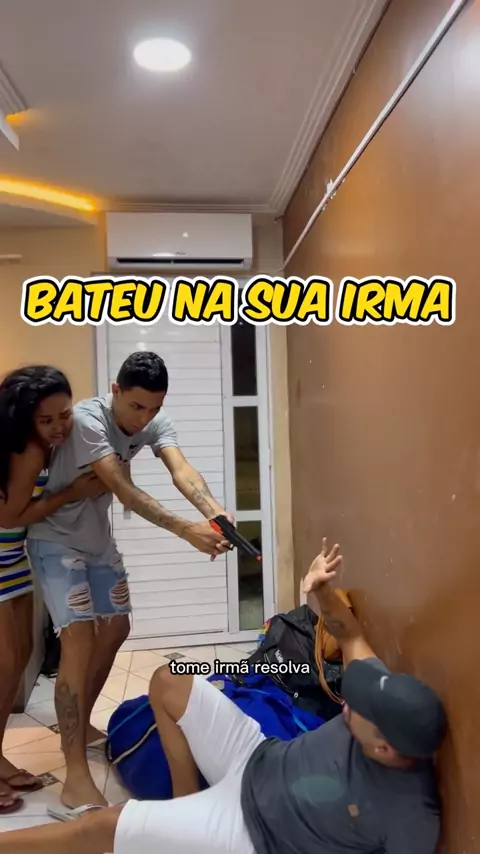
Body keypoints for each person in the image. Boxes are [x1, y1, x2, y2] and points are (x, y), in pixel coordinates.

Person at [0, 538, 447, 854]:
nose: (352, 702)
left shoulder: (409, 814)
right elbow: (349, 634)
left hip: (250, 833)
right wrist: (320, 589)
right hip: (257, 756)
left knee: (100, 825)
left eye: (360, 709)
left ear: (385, 748)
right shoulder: (380, 698)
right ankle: (184, 801)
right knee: (171, 678)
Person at [26, 351, 232, 811]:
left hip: (97, 542)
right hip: (56, 542)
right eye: (136, 406)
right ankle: (74, 775)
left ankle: (79, 725)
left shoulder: (154, 418)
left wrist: (214, 511)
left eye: (154, 408)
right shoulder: (88, 420)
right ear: (115, 390)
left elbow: (181, 471)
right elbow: (122, 488)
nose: (144, 419)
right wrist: (186, 530)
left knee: (117, 626)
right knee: (78, 640)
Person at [0, 366, 105, 816]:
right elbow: (10, 516)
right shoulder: (27, 449)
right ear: (25, 419)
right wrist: (72, 492)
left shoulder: (44, 445)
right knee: (6, 662)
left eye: (65, 414)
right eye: (47, 420)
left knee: (20, 656)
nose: (60, 426)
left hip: (12, 557)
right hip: (1, 552)